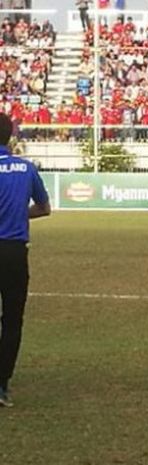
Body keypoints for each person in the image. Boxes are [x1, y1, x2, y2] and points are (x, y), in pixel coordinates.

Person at [0, 113, 51, 408]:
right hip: (14, 253)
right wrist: (18, 214)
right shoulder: (25, 167)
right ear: (10, 137)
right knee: (12, 319)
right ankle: (1, 383)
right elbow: (44, 208)